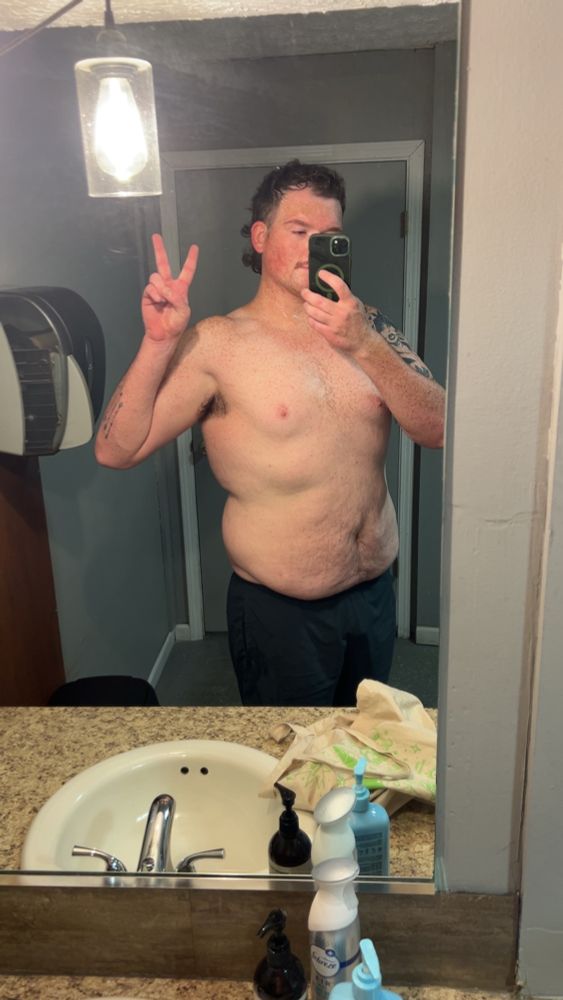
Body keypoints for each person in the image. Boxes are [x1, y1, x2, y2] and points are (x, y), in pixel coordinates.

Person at [95, 160, 445, 707]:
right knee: (287, 750)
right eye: (299, 231)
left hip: (374, 595)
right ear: (260, 238)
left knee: (360, 741)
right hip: (281, 615)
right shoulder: (218, 343)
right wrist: (159, 343)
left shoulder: (371, 327)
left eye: (329, 235)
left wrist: (364, 344)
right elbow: (117, 450)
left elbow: (440, 428)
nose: (314, 248)